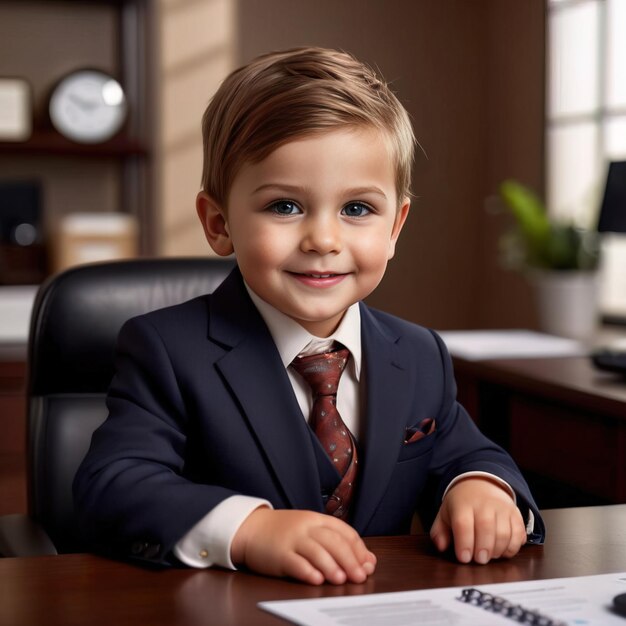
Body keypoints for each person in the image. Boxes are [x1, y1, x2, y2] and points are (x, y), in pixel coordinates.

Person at [74, 46, 545, 586]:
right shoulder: (167, 348)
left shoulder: (418, 354)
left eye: (357, 209)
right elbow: (112, 485)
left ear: (395, 226)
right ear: (219, 223)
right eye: (285, 206)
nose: (324, 239)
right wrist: (248, 530)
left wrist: (481, 487)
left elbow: (469, 453)